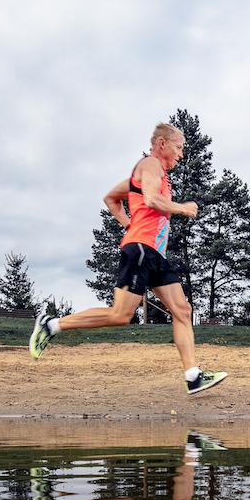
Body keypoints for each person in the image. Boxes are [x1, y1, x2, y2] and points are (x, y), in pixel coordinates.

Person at [29, 123, 228, 396]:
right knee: (120, 315)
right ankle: (51, 325)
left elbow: (111, 198)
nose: (181, 154)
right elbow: (151, 200)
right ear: (161, 144)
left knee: (182, 310)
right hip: (142, 251)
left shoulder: (152, 174)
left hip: (153, 253)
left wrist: (128, 224)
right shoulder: (150, 164)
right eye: (179, 147)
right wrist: (181, 208)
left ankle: (193, 376)